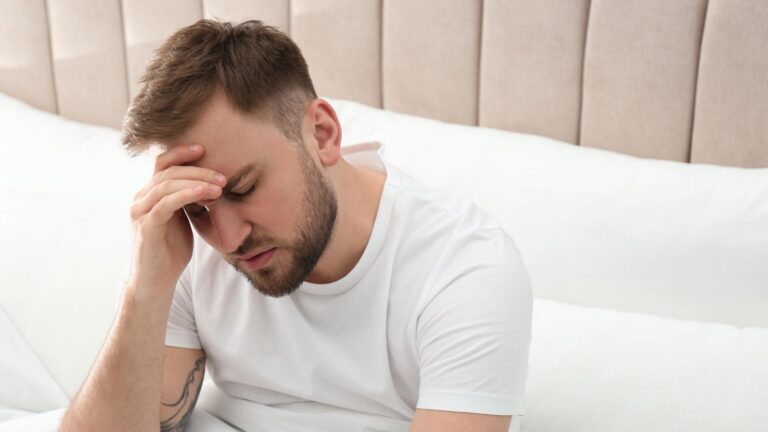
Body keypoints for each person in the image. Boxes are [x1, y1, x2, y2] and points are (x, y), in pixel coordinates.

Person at [60, 19, 532, 432]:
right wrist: (144, 290)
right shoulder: (183, 251)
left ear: (322, 135)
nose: (228, 240)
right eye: (199, 209)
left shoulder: (464, 270)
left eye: (243, 188)